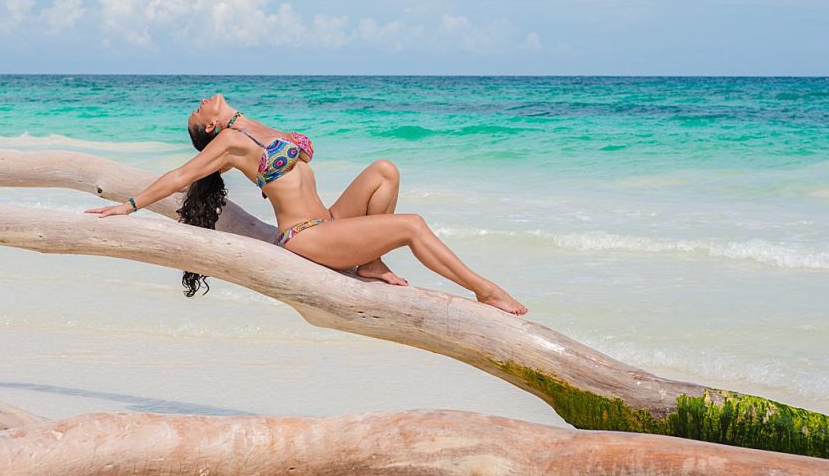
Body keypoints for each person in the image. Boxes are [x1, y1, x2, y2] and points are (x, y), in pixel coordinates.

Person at [86, 93, 528, 315]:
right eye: (197, 113)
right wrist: (129, 205)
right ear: (210, 129)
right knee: (411, 225)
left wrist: (238, 117)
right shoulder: (229, 144)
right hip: (307, 237)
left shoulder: (249, 126)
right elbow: (182, 176)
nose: (201, 103)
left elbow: (287, 146)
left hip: (330, 220)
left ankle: (371, 262)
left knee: (385, 169)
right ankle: (484, 290)